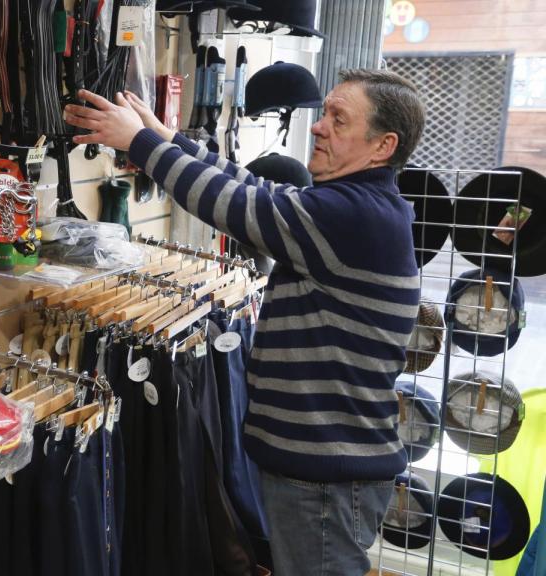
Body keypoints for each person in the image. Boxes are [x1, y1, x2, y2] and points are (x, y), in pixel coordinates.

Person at [65, 68, 426, 576]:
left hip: (325, 474)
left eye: (339, 119)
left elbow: (237, 204)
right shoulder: (356, 205)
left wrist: (142, 145)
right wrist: (165, 138)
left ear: (382, 146)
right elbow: (256, 186)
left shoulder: (353, 215)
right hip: (322, 469)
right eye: (324, 113)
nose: (319, 126)